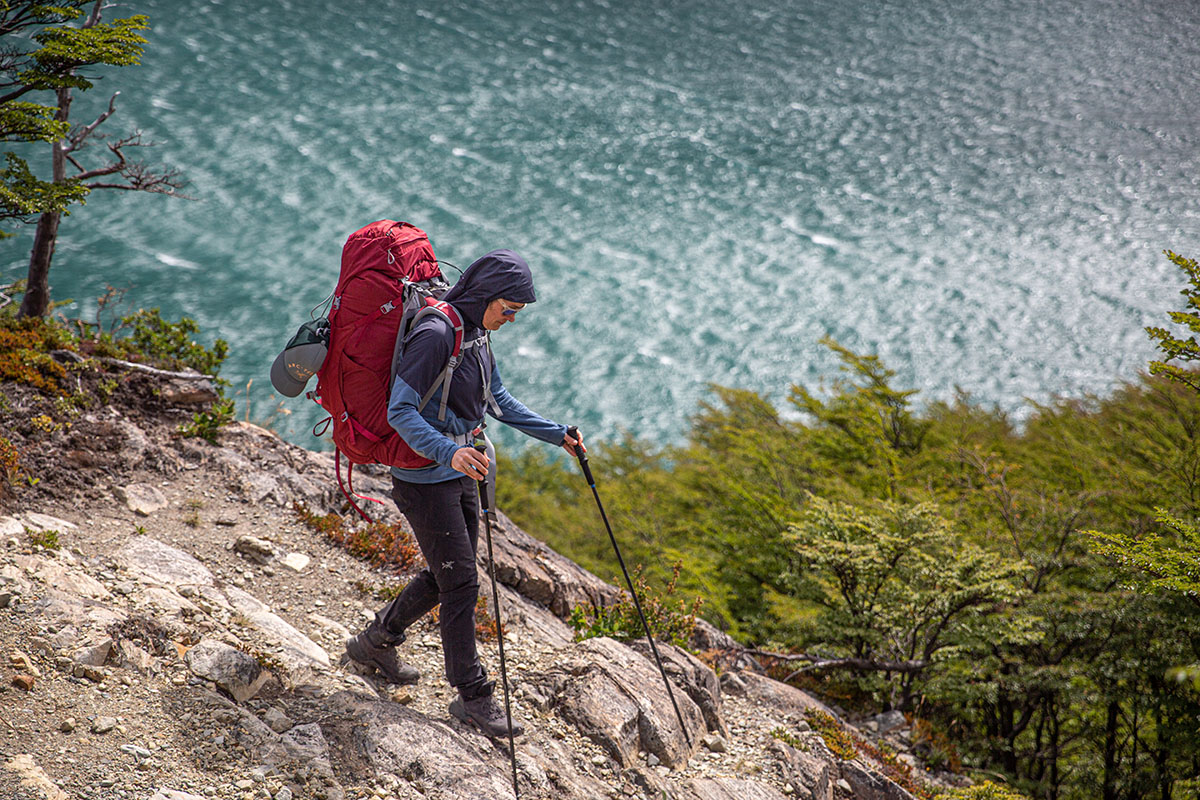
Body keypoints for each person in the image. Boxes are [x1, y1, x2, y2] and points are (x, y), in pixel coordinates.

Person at [342, 249, 582, 738]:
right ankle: (473, 696)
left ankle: (375, 641)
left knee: (447, 573)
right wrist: (448, 453)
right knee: (461, 583)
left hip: (459, 470)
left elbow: (497, 400)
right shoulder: (437, 334)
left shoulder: (476, 333)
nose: (511, 319)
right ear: (485, 296)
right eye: (509, 309)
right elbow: (401, 411)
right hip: (425, 478)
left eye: (517, 312)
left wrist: (557, 435)